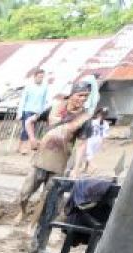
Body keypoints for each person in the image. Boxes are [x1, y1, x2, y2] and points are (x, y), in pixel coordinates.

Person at [17, 83, 93, 222]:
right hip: (41, 159)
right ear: (72, 94)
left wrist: (76, 169)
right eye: (80, 95)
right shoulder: (55, 108)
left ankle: (35, 224)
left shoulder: (85, 118)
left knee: (47, 198)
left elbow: (82, 144)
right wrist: (32, 139)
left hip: (60, 163)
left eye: (86, 96)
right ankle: (22, 212)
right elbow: (29, 121)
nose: (83, 99)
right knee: (24, 193)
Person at [17, 68, 49, 155]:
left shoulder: (44, 87)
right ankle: (23, 147)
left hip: (37, 111)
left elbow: (44, 100)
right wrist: (20, 113)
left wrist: (42, 111)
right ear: (35, 77)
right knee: (26, 129)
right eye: (39, 77)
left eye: (42, 77)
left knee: (31, 130)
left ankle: (20, 146)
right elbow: (23, 100)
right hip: (27, 110)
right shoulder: (29, 86)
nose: (41, 79)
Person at [76, 107, 110, 175]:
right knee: (90, 154)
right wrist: (103, 145)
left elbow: (86, 132)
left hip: (90, 139)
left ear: (98, 114)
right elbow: (104, 135)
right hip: (98, 141)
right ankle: (85, 169)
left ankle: (94, 167)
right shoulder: (106, 123)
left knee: (87, 154)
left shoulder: (92, 121)